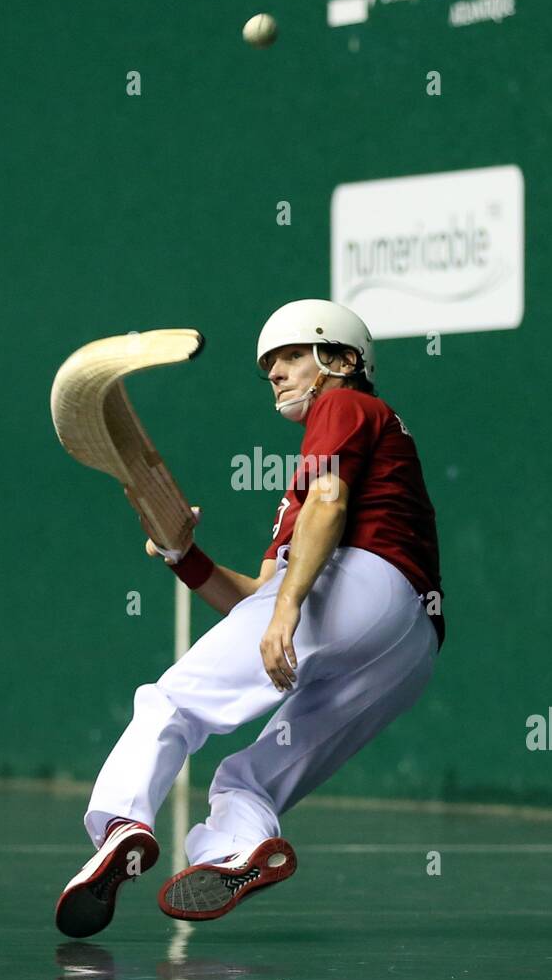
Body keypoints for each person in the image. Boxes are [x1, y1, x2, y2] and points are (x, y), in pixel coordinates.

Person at [55, 299, 444, 936]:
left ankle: (121, 825)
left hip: (362, 586)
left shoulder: (342, 408)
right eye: (269, 364)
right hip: (409, 647)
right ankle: (237, 850)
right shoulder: (308, 485)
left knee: (170, 703)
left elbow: (325, 513)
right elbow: (256, 602)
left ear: (342, 360)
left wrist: (288, 608)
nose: (277, 373)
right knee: (252, 776)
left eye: (292, 356)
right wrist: (185, 556)